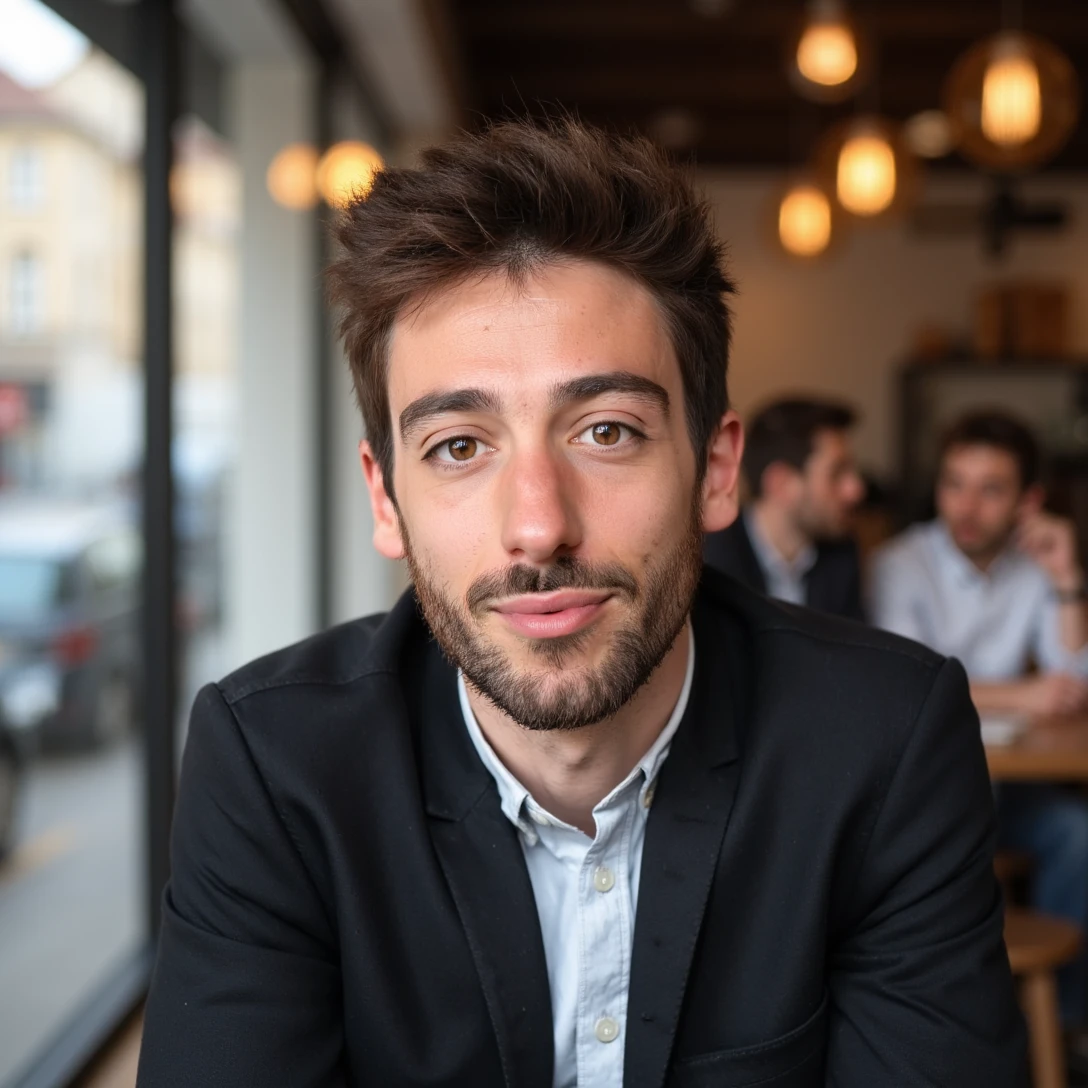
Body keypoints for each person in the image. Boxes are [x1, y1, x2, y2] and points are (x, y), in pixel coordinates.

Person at [137, 120, 1024, 1087]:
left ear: (716, 471)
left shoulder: (884, 740)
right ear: (386, 498)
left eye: (606, 430)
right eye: (459, 447)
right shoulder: (273, 765)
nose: (538, 527)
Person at [872, 409, 1088, 1028]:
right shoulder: (900, 562)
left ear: (1029, 501)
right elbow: (905, 680)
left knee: (1076, 833)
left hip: (1006, 789)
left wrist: (1067, 573)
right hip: (923, 791)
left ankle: (1063, 1024)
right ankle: (962, 1022)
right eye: (954, 483)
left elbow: (1073, 683)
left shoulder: (1037, 565)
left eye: (991, 489)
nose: (965, 505)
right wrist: (1025, 696)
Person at [703, 398, 866, 620]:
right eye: (837, 473)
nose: (855, 489)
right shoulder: (708, 560)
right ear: (781, 484)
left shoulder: (842, 553)